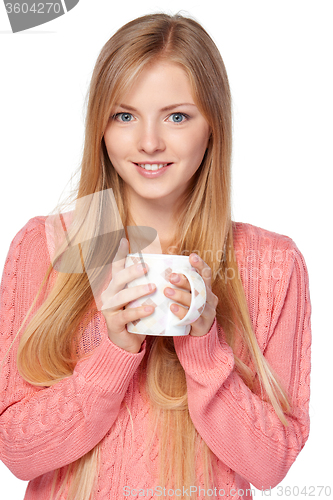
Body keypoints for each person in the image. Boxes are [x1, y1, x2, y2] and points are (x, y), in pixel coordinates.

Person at [0, 12, 311, 500]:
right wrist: (113, 353)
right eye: (124, 115)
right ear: (99, 127)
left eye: (177, 116)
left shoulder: (271, 264)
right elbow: (15, 452)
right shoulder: (45, 247)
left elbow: (271, 465)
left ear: (213, 126)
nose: (148, 142)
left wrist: (204, 347)